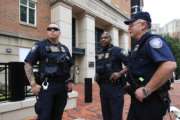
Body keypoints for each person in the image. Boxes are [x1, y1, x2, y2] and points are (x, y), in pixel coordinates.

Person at [124, 11, 177, 120]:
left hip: (151, 101)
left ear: (143, 25)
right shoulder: (139, 46)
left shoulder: (152, 41)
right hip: (139, 101)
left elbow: (169, 65)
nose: (129, 28)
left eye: (131, 24)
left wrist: (146, 90)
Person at [24, 23, 73, 120]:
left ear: (59, 32)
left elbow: (71, 66)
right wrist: (33, 84)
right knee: (44, 116)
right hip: (47, 86)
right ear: (47, 32)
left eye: (55, 29)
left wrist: (70, 81)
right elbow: (28, 64)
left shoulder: (65, 48)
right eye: (49, 28)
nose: (52, 30)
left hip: (62, 87)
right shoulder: (40, 45)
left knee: (58, 115)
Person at [95, 31, 128, 120]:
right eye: (101, 38)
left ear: (110, 39)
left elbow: (131, 65)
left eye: (106, 37)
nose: (103, 39)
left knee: (116, 115)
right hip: (103, 88)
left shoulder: (117, 50)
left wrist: (120, 73)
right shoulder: (99, 53)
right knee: (106, 115)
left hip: (115, 88)